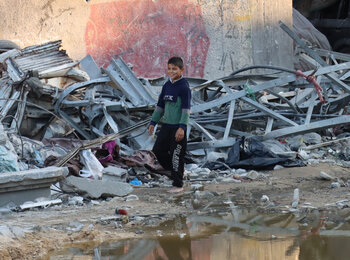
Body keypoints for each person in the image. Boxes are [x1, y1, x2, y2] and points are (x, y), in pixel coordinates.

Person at [148, 56, 191, 193]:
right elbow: (160, 105)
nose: (171, 71)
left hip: (178, 127)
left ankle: (178, 185)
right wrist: (153, 122)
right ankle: (177, 169)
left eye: (175, 69)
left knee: (176, 155)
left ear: (182, 70)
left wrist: (182, 127)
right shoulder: (167, 86)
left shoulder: (184, 87)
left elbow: (186, 109)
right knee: (158, 151)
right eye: (169, 69)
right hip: (166, 126)